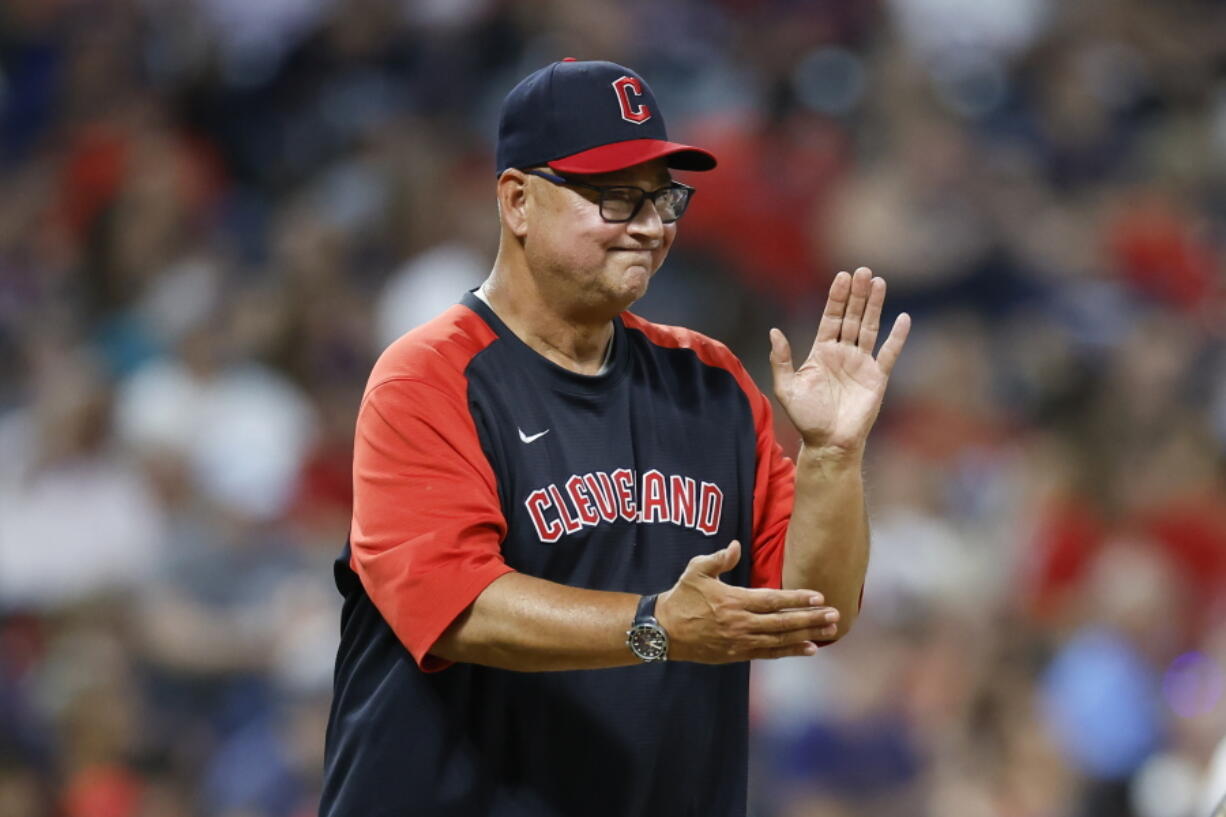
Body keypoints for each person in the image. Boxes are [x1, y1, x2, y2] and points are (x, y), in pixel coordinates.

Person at [320, 59, 910, 817]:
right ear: (517, 200)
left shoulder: (710, 381)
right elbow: (460, 608)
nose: (652, 224)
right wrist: (656, 626)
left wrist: (831, 457)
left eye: (662, 197)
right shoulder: (430, 377)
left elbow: (816, 608)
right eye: (614, 196)